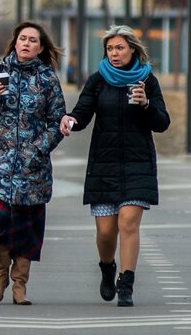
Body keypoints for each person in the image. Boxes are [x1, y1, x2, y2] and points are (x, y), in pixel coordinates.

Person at [59, 25, 170, 307]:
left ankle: (126, 283)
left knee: (129, 223)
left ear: (132, 49)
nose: (114, 53)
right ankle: (107, 268)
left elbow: (162, 123)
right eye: (110, 48)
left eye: (119, 47)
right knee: (106, 233)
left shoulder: (148, 81)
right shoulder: (98, 80)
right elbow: (82, 113)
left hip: (137, 164)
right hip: (104, 165)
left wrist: (146, 105)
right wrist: (69, 120)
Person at [0, 22, 66, 305]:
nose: (26, 43)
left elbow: (56, 122)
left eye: (32, 40)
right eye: (22, 38)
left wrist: (38, 150)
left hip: (33, 168)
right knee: (1, 224)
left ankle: (20, 285)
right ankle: (0, 276)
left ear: (40, 47)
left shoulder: (48, 79)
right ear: (15, 43)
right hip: (0, 163)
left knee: (27, 228)